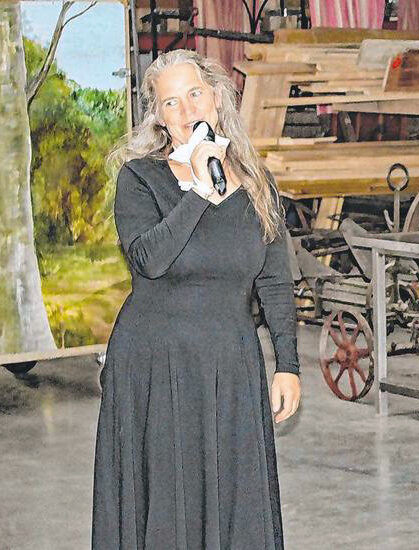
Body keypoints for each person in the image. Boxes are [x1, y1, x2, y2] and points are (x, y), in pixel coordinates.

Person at [92, 50, 301, 549]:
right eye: (171, 102)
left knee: (235, 504)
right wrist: (199, 192)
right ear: (158, 116)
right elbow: (150, 259)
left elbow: (274, 280)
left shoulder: (256, 182)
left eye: (194, 95)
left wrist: (288, 365)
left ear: (216, 97)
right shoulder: (139, 178)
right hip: (154, 366)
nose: (187, 111)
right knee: (166, 504)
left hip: (230, 364)